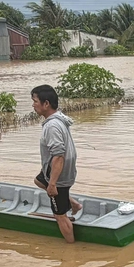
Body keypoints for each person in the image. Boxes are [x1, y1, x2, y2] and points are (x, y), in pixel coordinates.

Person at [32, 84, 82, 244]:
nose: (33, 105)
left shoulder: (52, 126)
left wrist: (53, 184)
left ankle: (71, 251)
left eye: (35, 101)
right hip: (59, 170)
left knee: (59, 215)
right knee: (39, 181)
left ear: (46, 104)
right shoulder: (59, 118)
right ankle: (73, 203)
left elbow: (58, 156)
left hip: (59, 175)